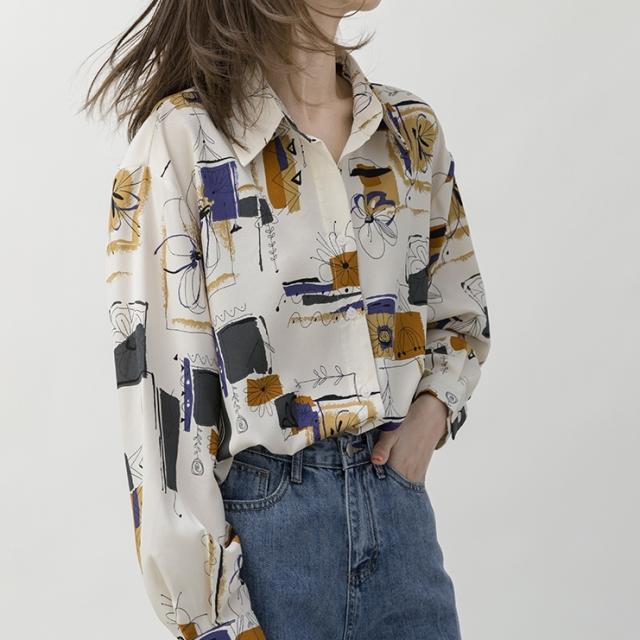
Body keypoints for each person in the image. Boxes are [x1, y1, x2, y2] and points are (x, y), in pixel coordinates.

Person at [83, 1, 491, 638]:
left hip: (401, 526)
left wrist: (430, 416)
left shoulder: (408, 132)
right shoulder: (184, 142)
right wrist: (217, 620)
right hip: (267, 539)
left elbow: (460, 315)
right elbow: (164, 413)